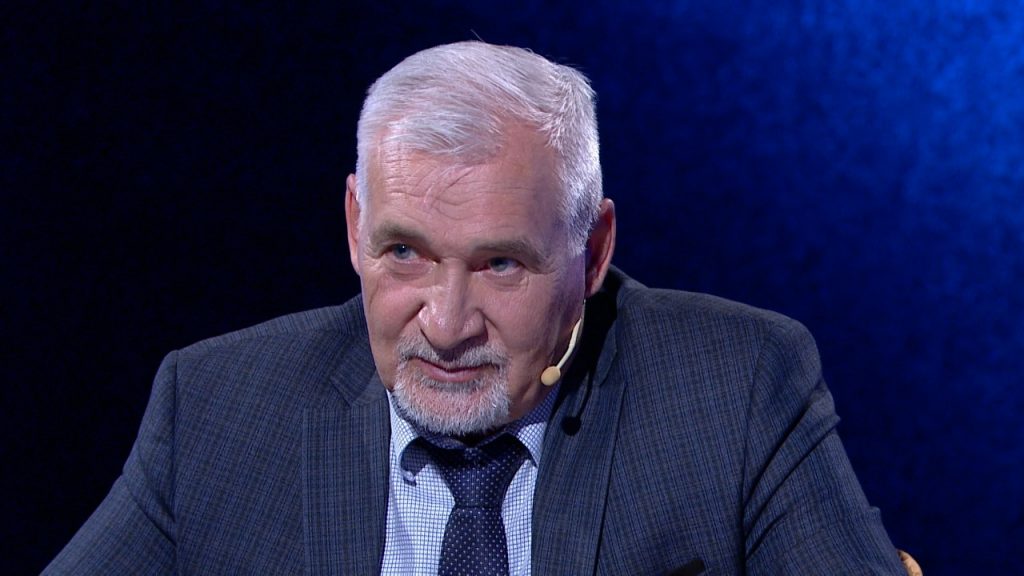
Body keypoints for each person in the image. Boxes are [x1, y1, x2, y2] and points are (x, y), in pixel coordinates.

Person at [45, 41, 906, 575]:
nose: (447, 324)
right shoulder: (216, 407)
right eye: (404, 253)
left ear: (593, 253)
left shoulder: (736, 390)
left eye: (500, 264)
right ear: (354, 226)